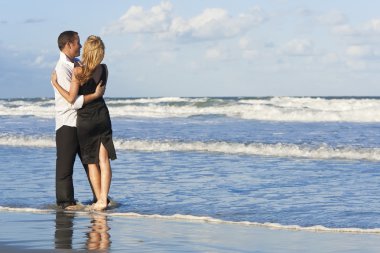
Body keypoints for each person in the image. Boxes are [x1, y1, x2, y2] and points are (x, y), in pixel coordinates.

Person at [52, 35, 116, 211]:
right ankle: (99, 199)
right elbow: (76, 101)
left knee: (91, 162)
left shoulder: (78, 69)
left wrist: (55, 84)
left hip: (84, 120)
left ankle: (99, 199)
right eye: (77, 42)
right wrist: (96, 95)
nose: (79, 46)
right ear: (68, 45)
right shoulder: (103, 68)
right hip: (96, 117)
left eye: (82, 44)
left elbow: (72, 99)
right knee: (100, 161)